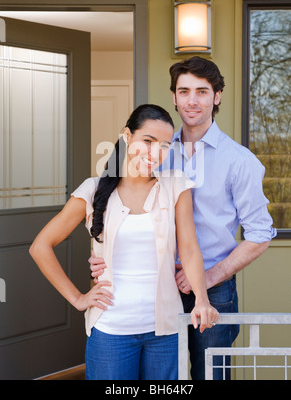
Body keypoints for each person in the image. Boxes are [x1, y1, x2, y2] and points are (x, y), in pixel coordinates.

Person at [90, 57, 277, 380]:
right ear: (174, 97)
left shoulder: (239, 161)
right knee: (163, 378)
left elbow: (260, 234)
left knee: (210, 376)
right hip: (154, 284)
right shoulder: (153, 149)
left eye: (202, 92)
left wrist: (206, 277)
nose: (192, 100)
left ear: (217, 96)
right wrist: (101, 255)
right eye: (184, 91)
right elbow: (113, 203)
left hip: (213, 288)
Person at [29, 103, 219, 381]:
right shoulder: (93, 190)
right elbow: (40, 246)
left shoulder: (176, 185)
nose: (156, 153)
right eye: (148, 141)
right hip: (111, 332)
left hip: (165, 332)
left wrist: (202, 298)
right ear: (127, 136)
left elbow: (189, 249)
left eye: (165, 145)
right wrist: (78, 298)